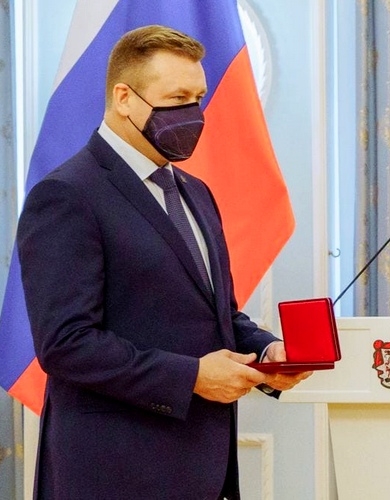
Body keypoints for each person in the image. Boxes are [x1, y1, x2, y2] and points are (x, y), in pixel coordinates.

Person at [17, 25, 310, 500]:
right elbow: (66, 344)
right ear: (124, 98)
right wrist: (192, 377)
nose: (193, 113)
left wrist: (267, 352)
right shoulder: (67, 194)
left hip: (203, 468)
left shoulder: (196, 192)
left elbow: (216, 315)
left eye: (198, 98)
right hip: (113, 472)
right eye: (177, 99)